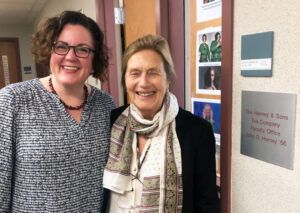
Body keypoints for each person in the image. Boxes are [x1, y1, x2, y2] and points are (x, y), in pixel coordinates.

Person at [0, 11, 114, 212]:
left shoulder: (105, 105)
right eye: (61, 46)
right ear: (48, 50)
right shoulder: (13, 100)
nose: (70, 56)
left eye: (83, 49)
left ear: (94, 58)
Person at [103, 35, 219, 212]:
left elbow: (207, 203)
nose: (143, 82)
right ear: (125, 80)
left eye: (153, 72)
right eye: (135, 73)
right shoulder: (111, 121)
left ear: (168, 79)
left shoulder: (196, 131)